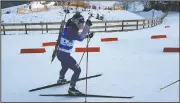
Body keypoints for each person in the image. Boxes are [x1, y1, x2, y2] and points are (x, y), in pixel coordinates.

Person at [56, 12, 94, 95]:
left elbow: (76, 36)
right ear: (77, 23)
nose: (83, 25)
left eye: (84, 24)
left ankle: (61, 79)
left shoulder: (70, 28)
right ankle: (72, 89)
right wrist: (87, 26)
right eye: (82, 23)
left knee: (65, 66)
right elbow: (80, 38)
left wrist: (87, 36)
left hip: (61, 54)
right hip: (64, 55)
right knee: (77, 70)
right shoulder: (71, 30)